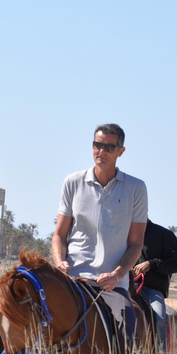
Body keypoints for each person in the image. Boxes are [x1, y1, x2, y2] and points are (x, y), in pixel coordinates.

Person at [52, 123, 148, 339]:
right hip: (74, 280)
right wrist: (59, 262)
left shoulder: (136, 188)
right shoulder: (72, 182)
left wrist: (116, 275)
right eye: (97, 145)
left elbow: (136, 243)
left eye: (109, 147)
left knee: (127, 331)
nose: (101, 151)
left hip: (112, 285)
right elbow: (59, 235)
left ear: (121, 151)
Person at [133, 219, 177, 353]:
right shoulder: (121, 233)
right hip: (122, 287)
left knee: (159, 317)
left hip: (151, 290)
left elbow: (176, 263)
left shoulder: (164, 235)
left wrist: (152, 264)